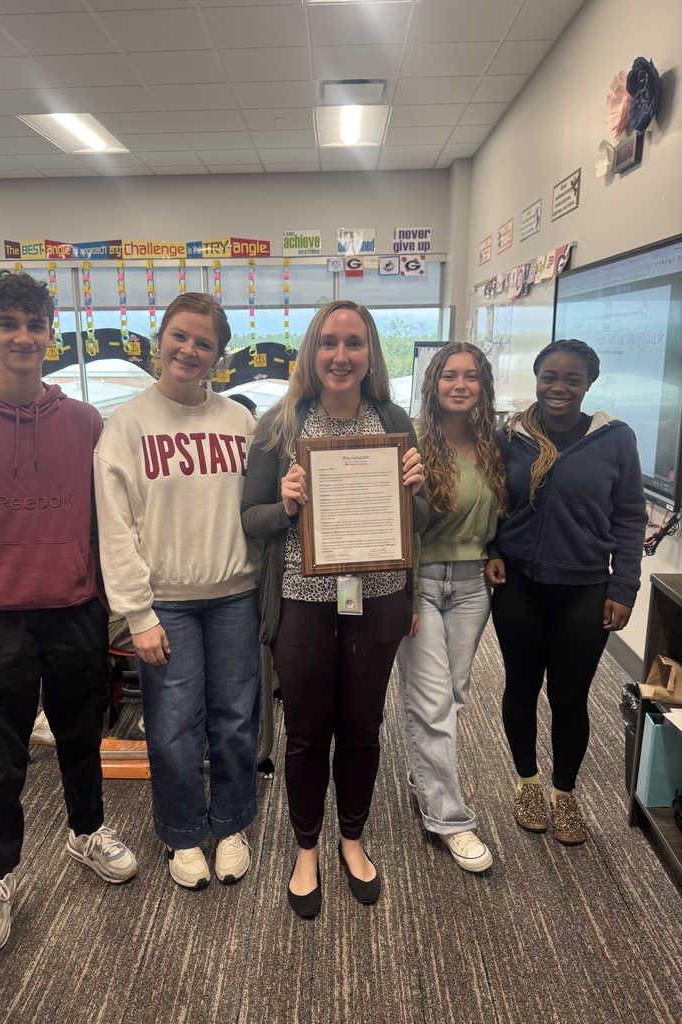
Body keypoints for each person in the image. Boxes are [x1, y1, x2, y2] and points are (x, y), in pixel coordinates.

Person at [0, 270, 136, 956]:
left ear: (51, 335)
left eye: (34, 325)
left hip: (73, 613)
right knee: (2, 760)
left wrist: (100, 597)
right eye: (8, 325)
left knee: (79, 741)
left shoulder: (85, 422)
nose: (22, 337)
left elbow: (109, 521)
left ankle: (86, 832)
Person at [241, 299, 427, 918]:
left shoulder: (394, 418)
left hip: (377, 603)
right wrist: (287, 505)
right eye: (329, 342)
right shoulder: (278, 426)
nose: (341, 356)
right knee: (305, 733)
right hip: (303, 600)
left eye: (354, 343)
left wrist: (415, 491)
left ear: (370, 352)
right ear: (311, 353)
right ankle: (305, 848)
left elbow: (421, 523)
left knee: (363, 727)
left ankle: (352, 838)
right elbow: (252, 521)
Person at [94, 292, 261, 892]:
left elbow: (260, 507)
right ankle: (184, 832)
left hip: (235, 595)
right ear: (159, 338)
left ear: (219, 355)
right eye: (180, 337)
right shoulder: (128, 425)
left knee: (237, 718)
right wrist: (137, 613)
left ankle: (234, 822)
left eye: (204, 343)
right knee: (170, 725)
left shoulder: (238, 421)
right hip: (164, 602)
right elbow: (115, 529)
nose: (189, 350)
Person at [486, 339, 646, 845]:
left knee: (570, 697)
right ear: (536, 378)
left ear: (588, 384)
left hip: (584, 588)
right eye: (549, 376)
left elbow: (629, 517)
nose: (559, 387)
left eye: (571, 379)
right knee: (521, 686)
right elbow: (492, 498)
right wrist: (491, 549)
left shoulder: (615, 438)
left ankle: (565, 791)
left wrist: (624, 586)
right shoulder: (510, 434)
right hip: (518, 584)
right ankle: (528, 782)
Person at [396, 342, 506, 872]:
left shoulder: (494, 443)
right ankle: (450, 819)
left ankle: (424, 775)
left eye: (471, 377)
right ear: (433, 384)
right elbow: (399, 524)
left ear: (483, 386)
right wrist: (407, 592)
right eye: (449, 377)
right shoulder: (414, 441)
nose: (460, 386)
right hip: (422, 584)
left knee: (453, 696)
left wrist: (494, 553)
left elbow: (505, 515)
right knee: (433, 701)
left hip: (472, 586)